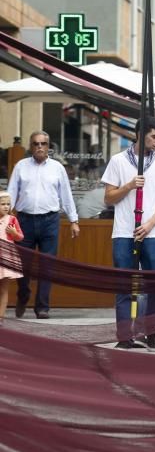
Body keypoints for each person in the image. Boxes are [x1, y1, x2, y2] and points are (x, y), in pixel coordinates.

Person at [102, 116, 155, 350]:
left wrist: (151, 224)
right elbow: (108, 198)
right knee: (124, 284)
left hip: (153, 233)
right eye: (154, 136)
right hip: (124, 231)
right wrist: (128, 186)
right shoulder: (118, 161)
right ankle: (124, 336)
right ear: (140, 134)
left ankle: (151, 330)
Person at [7, 130, 80, 319]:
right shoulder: (21, 166)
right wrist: (5, 218)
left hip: (50, 221)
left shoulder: (57, 168)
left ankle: (42, 307)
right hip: (24, 222)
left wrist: (73, 220)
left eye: (43, 144)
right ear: (31, 147)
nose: (40, 147)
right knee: (23, 266)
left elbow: (66, 195)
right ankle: (23, 294)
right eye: (36, 144)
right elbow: (11, 193)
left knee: (47, 266)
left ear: (49, 147)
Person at [0, 191, 24, 317]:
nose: (6, 206)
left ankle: (1, 317)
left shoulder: (12, 220)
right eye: (2, 204)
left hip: (7, 257)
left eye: (8, 204)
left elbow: (20, 237)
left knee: (3, 289)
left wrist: (14, 233)